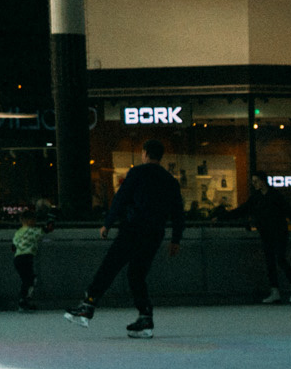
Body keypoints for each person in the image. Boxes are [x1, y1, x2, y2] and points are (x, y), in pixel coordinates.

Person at [67, 139, 185, 338]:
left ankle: (88, 303)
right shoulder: (170, 180)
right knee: (137, 274)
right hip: (154, 233)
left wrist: (108, 223)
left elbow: (121, 199)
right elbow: (178, 212)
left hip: (133, 229)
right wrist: (176, 239)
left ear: (145, 153)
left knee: (110, 266)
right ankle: (145, 315)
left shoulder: (137, 173)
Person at [235, 183, 291, 303]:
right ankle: (281, 289)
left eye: (256, 181)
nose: (255, 184)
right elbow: (243, 209)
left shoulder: (270, 196)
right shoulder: (259, 197)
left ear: (262, 182)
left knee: (278, 259)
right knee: (271, 260)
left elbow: (287, 210)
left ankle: (283, 289)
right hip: (269, 232)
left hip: (276, 232)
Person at [11, 212, 50, 312]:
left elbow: (13, 246)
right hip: (27, 257)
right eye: (34, 220)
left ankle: (23, 300)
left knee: (26, 280)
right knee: (31, 280)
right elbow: (44, 231)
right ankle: (24, 301)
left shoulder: (18, 232)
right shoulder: (32, 231)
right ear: (29, 221)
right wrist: (50, 224)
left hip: (18, 258)